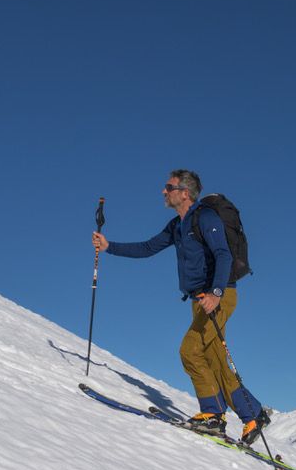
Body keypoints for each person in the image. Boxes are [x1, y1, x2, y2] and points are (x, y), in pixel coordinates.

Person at [91, 169, 269, 445]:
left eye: (169, 187)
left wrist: (217, 293)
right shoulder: (177, 225)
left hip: (218, 298)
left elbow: (222, 254)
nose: (164, 191)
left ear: (185, 193)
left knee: (190, 351)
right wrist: (109, 246)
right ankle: (253, 414)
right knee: (215, 362)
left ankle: (213, 416)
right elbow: (149, 247)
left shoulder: (205, 217)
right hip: (201, 301)